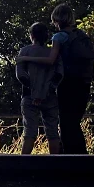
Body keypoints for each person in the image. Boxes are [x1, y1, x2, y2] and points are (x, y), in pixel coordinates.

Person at [17, 4, 94, 154]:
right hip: (84, 82)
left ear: (57, 19)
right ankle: (81, 155)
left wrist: (25, 58)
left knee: (66, 121)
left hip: (68, 83)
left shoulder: (59, 37)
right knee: (74, 120)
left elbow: (51, 60)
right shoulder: (81, 34)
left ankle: (68, 157)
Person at [16, 23, 64, 154]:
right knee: (52, 131)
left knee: (30, 131)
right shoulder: (54, 54)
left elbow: (21, 75)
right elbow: (59, 75)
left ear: (31, 36)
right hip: (50, 96)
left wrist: (34, 91)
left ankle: (23, 164)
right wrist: (47, 90)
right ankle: (54, 165)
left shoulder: (24, 52)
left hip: (29, 96)